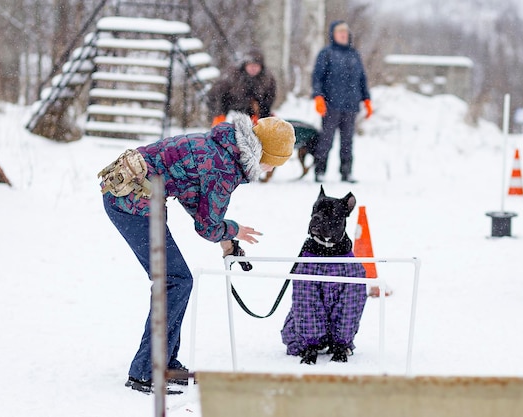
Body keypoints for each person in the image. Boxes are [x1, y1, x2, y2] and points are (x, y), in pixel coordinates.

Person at [99, 114, 296, 394]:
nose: (268, 171)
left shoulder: (223, 145)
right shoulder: (225, 168)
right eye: (272, 165)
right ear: (265, 156)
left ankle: (163, 362)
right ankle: (146, 371)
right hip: (129, 200)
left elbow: (197, 200)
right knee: (176, 281)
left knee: (176, 280)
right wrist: (233, 230)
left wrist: (226, 238)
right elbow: (206, 226)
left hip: (129, 191)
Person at [311, 20, 372, 183]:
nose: (343, 34)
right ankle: (320, 170)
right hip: (331, 105)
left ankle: (346, 172)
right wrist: (318, 97)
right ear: (333, 34)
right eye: (339, 31)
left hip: (351, 105)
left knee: (347, 142)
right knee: (326, 140)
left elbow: (362, 79)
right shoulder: (326, 53)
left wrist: (367, 99)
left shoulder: (354, 54)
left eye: (345, 31)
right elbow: (317, 77)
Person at [207, 48, 277, 127]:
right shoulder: (232, 76)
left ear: (261, 67)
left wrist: (263, 115)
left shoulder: (267, 79)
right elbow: (217, 95)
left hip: (254, 112)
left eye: (256, 65)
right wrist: (220, 114)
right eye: (250, 65)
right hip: (230, 108)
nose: (253, 68)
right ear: (245, 65)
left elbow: (268, 101)